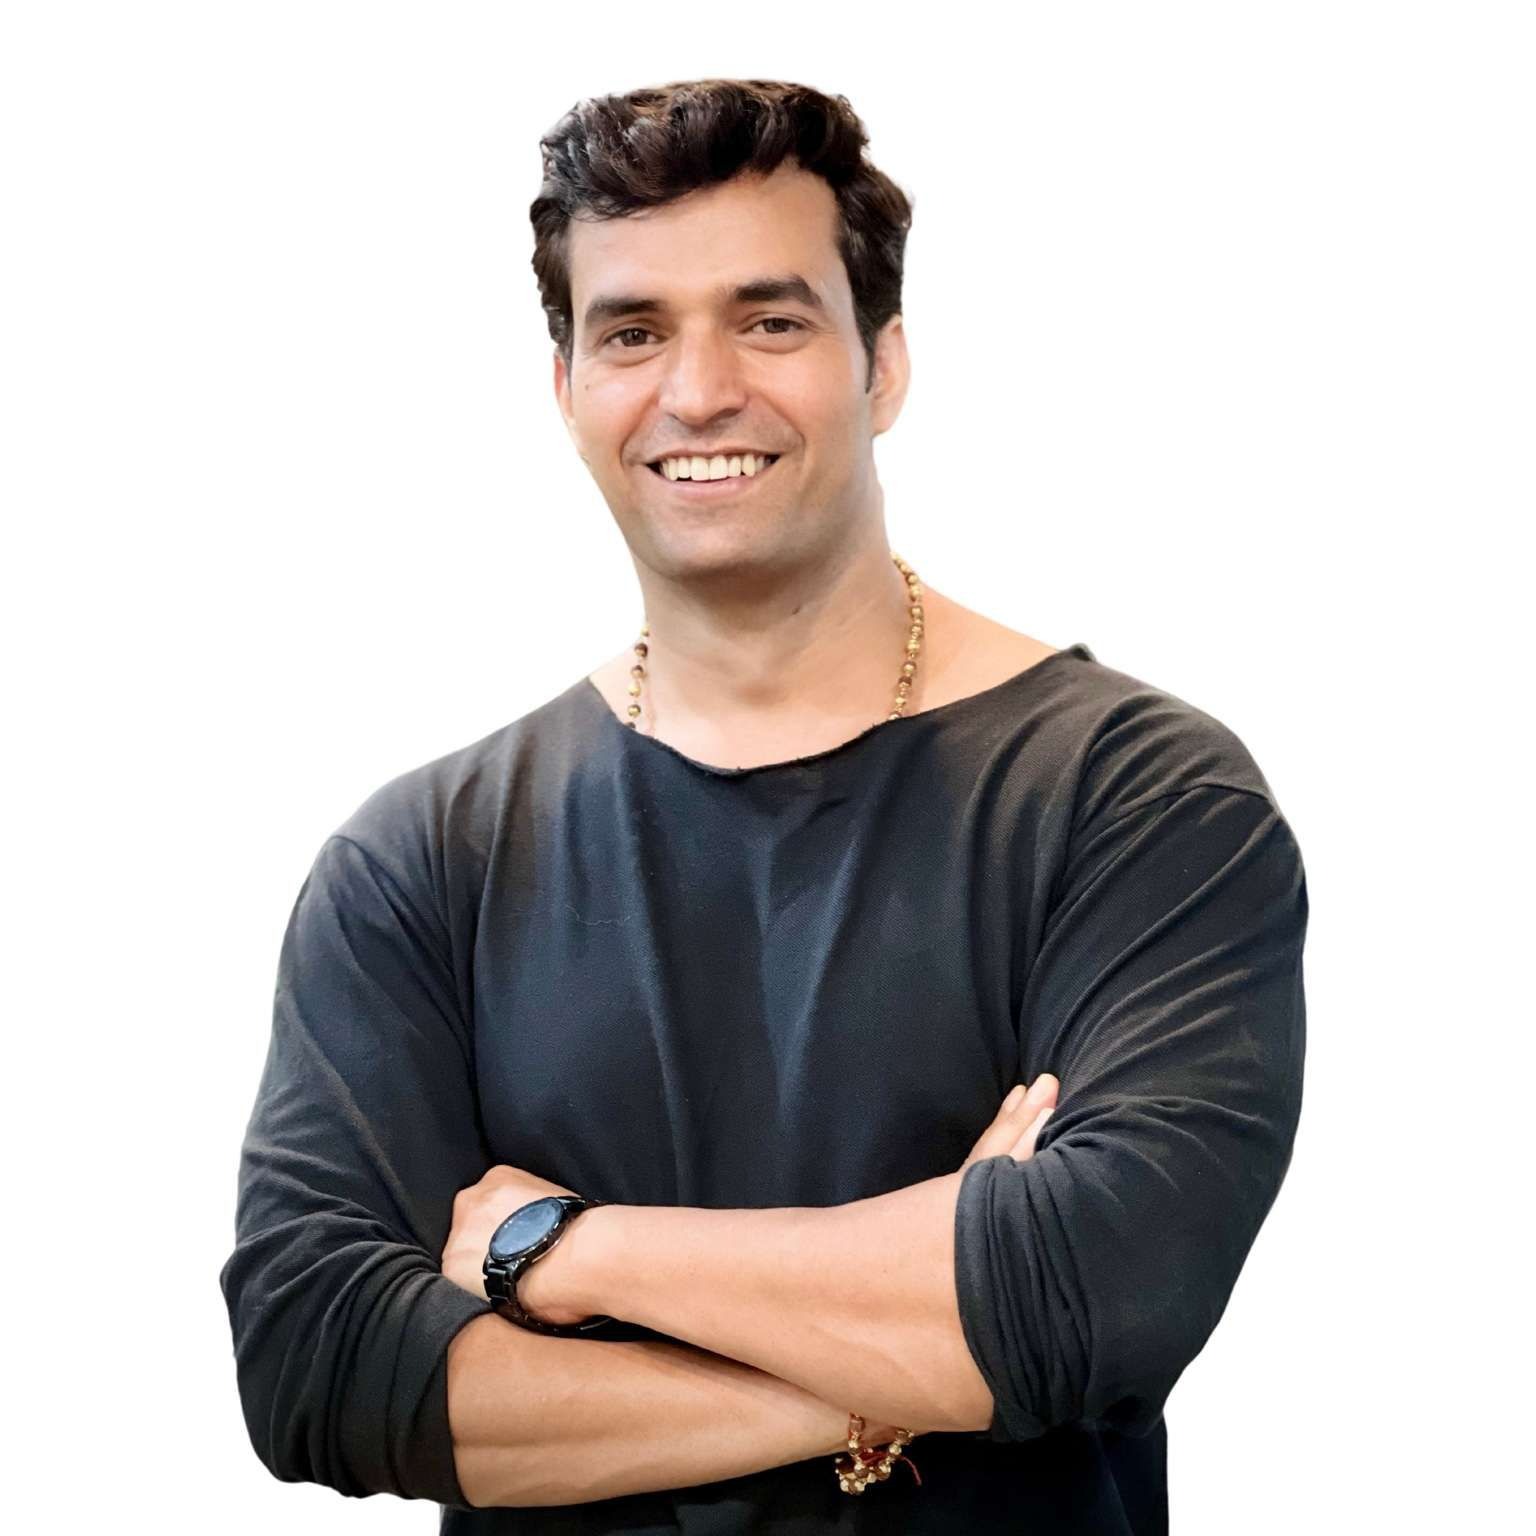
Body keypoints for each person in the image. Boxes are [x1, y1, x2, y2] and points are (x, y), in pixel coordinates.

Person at [218, 77, 1308, 1534]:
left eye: (771, 320)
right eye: (632, 332)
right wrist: (897, 1374)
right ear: (567, 390)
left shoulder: (1136, 799)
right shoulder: (426, 860)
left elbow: (1092, 1292)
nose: (698, 390)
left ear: (883, 366)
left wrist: (564, 1251)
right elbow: (324, 1368)